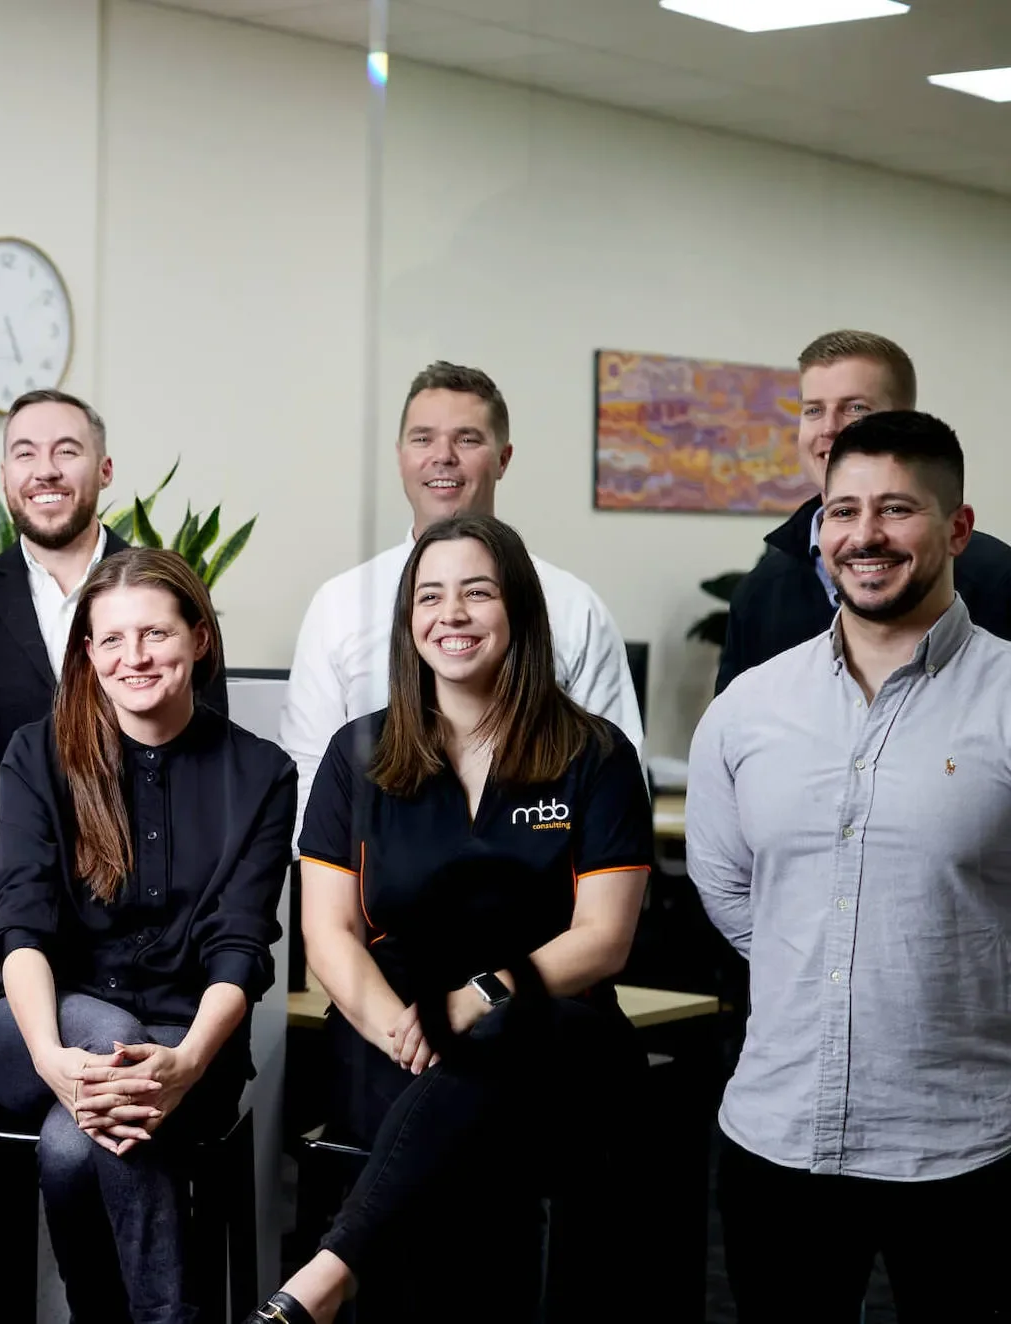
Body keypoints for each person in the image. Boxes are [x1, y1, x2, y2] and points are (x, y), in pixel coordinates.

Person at [246, 514, 653, 1324]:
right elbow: (328, 934)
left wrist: (481, 996)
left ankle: (322, 1279)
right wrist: (401, 1024)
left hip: (553, 1026)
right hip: (389, 1029)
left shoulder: (597, 755)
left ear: (519, 612)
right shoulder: (355, 755)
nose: (451, 614)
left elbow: (604, 938)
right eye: (429, 596)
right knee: (458, 1124)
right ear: (408, 623)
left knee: (496, 1051)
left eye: (477, 592)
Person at [688, 410, 1011, 1322]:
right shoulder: (749, 710)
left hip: (965, 1150)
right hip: (778, 1138)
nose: (863, 536)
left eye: (896, 509)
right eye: (841, 511)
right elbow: (729, 890)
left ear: (957, 528)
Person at [0, 548, 293, 1324]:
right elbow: (21, 927)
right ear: (88, 652)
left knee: (73, 1146)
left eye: (155, 634)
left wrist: (182, 1063)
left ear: (199, 640)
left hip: (192, 1049)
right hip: (30, 1030)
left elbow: (241, 949)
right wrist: (52, 1060)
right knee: (111, 1038)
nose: (134, 658)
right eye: (111, 639)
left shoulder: (262, 774)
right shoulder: (37, 755)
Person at [0, 388, 227, 1119]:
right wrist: (24, 906)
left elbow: (202, 770)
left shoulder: (167, 596)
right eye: (25, 453)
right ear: (4, 475)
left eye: (66, 451)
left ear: (105, 469)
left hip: (153, 956)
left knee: (121, 1145)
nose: (44, 470)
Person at [281, 361, 643, 835]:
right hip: (375, 890)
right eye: (423, 438)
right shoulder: (341, 603)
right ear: (400, 457)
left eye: (467, 439)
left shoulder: (575, 607)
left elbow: (619, 786)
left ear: (503, 458)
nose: (443, 456)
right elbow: (308, 785)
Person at [716, 329, 1011, 692]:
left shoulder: (997, 576)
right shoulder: (759, 592)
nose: (829, 429)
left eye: (855, 408)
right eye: (813, 410)